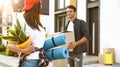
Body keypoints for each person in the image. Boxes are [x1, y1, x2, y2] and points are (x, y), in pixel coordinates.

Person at [7, 0, 49, 67]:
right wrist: (24, 50)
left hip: (41, 61)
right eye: (40, 4)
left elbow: (40, 42)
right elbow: (10, 45)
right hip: (29, 62)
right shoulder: (21, 20)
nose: (41, 7)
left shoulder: (38, 21)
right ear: (35, 6)